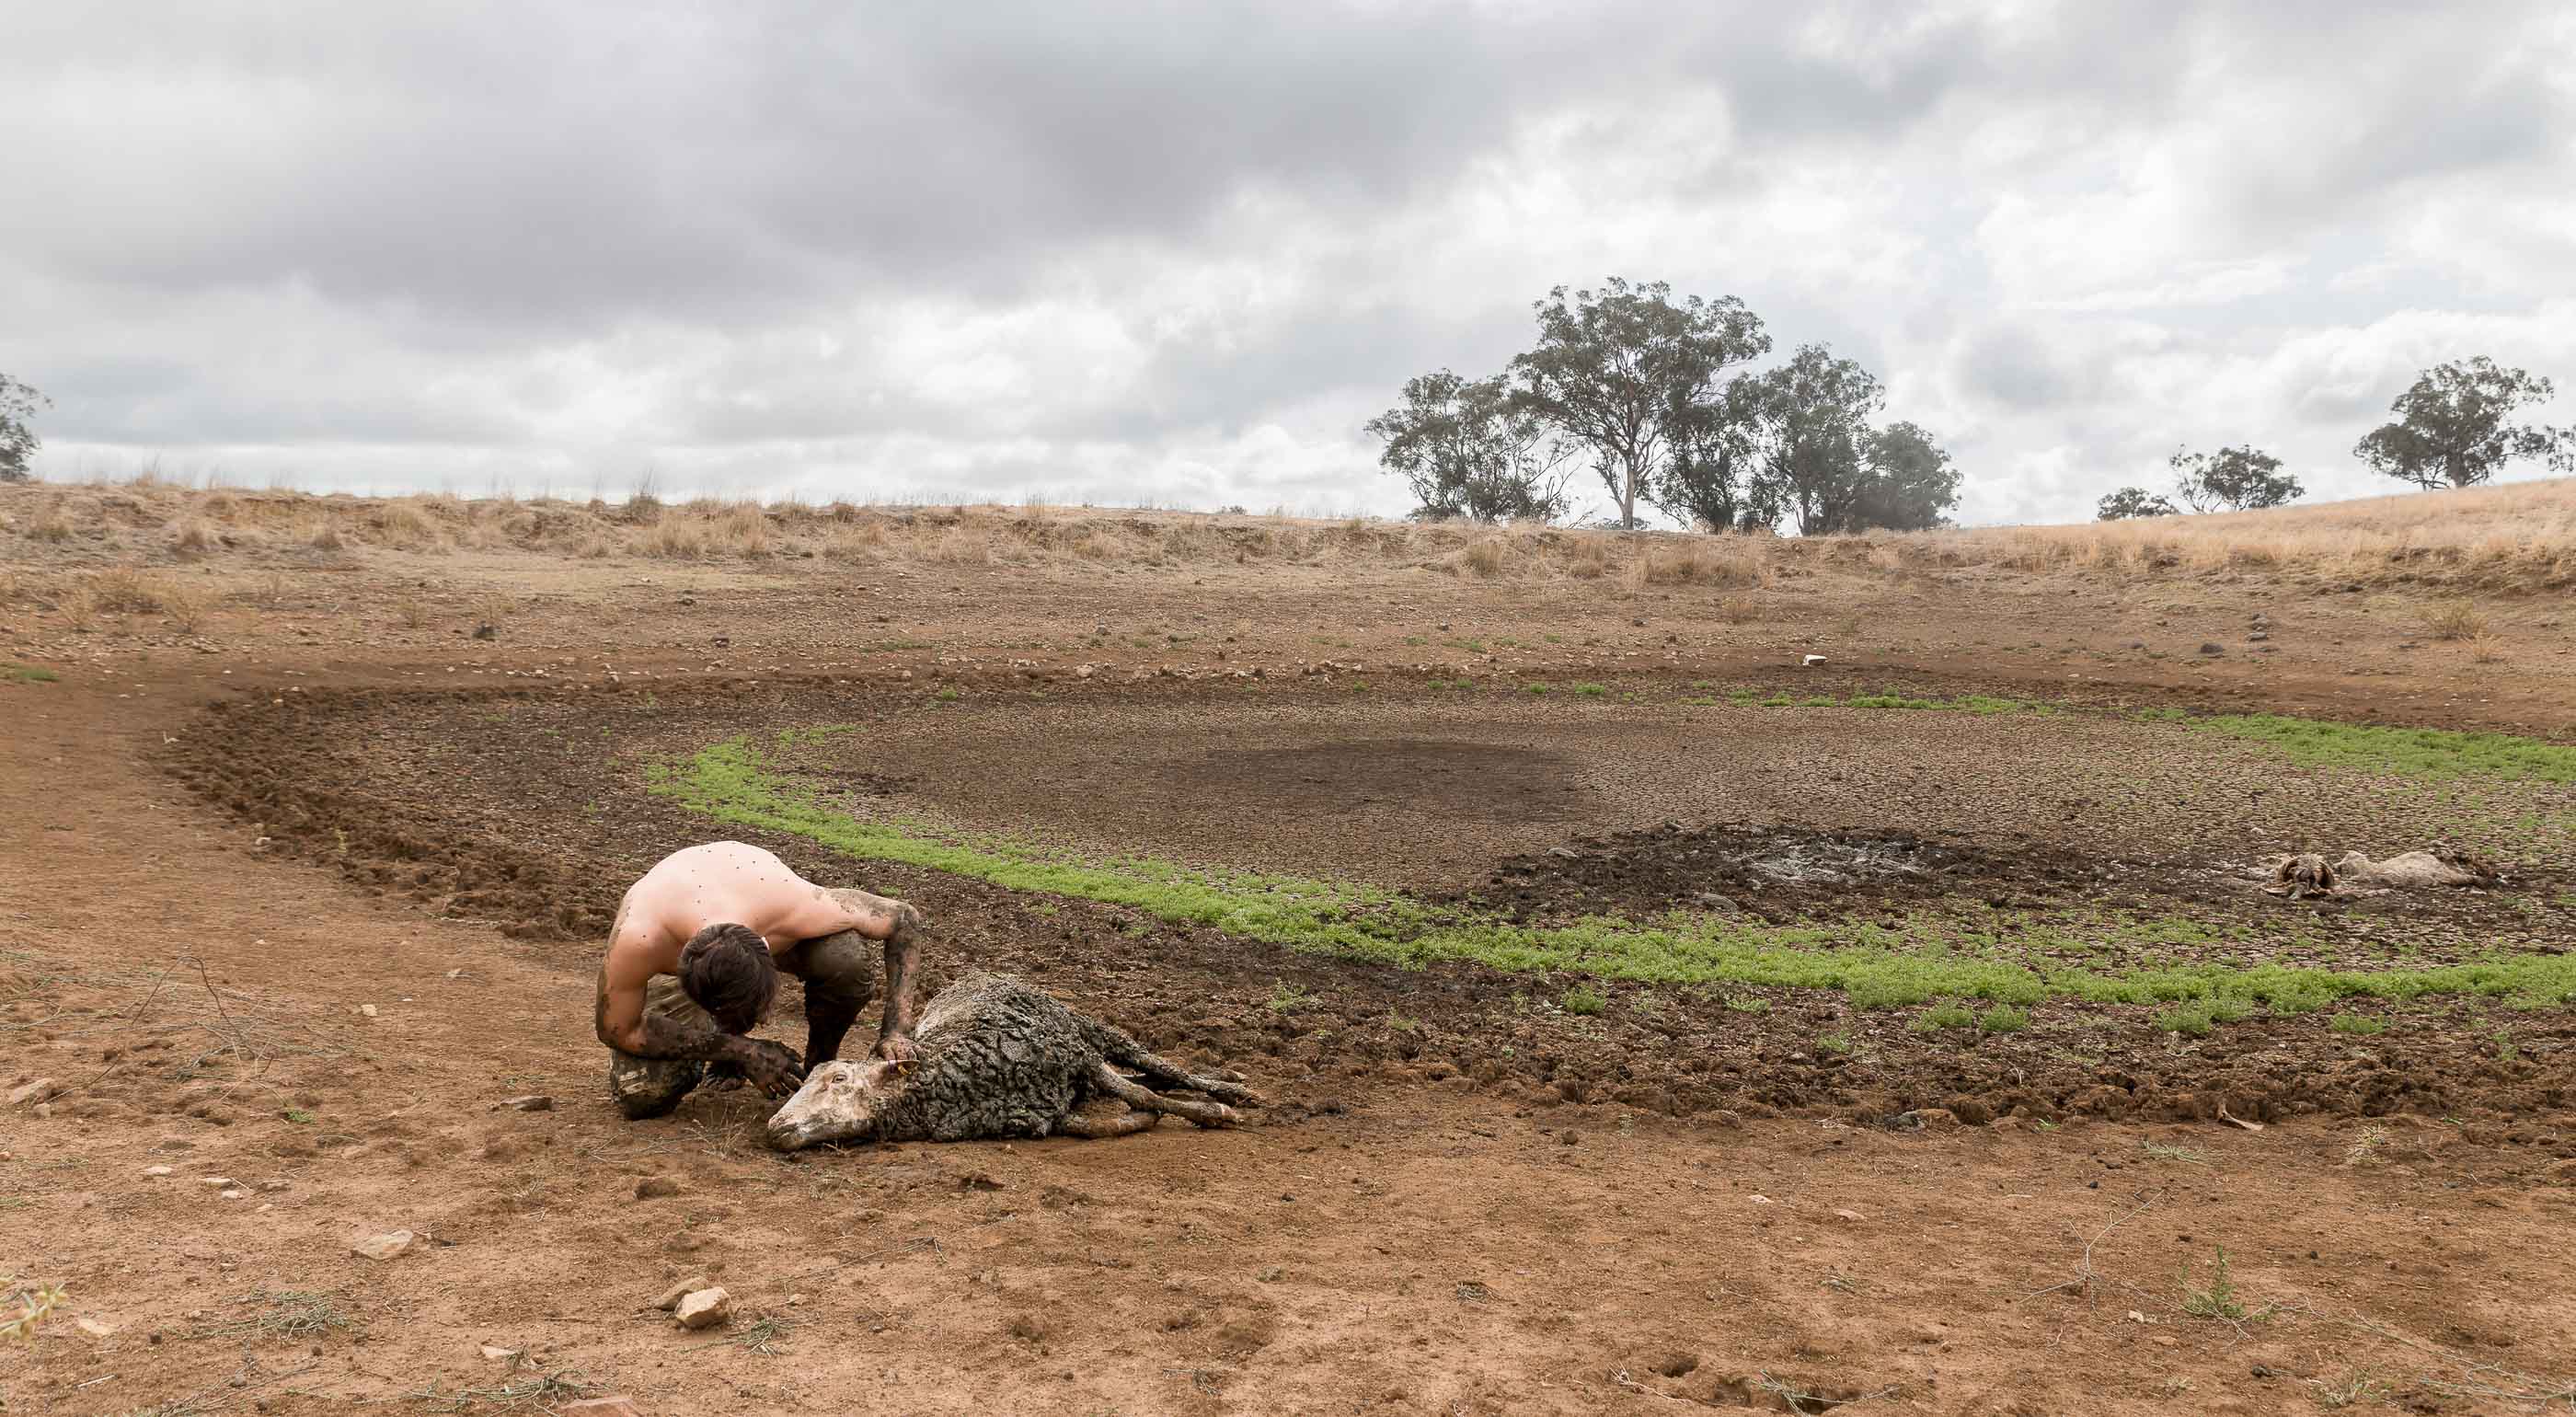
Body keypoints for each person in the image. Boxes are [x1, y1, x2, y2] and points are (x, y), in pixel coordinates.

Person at [593, 840, 926, 1120]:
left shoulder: (793, 905)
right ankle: (718, 1058)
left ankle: (819, 1062)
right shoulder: (639, 938)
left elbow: (904, 918)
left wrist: (895, 1030)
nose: (762, 1020)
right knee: (643, 1094)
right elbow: (616, 1029)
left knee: (845, 957)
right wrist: (739, 1050)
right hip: (680, 932)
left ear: (767, 948)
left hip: (757, 902)